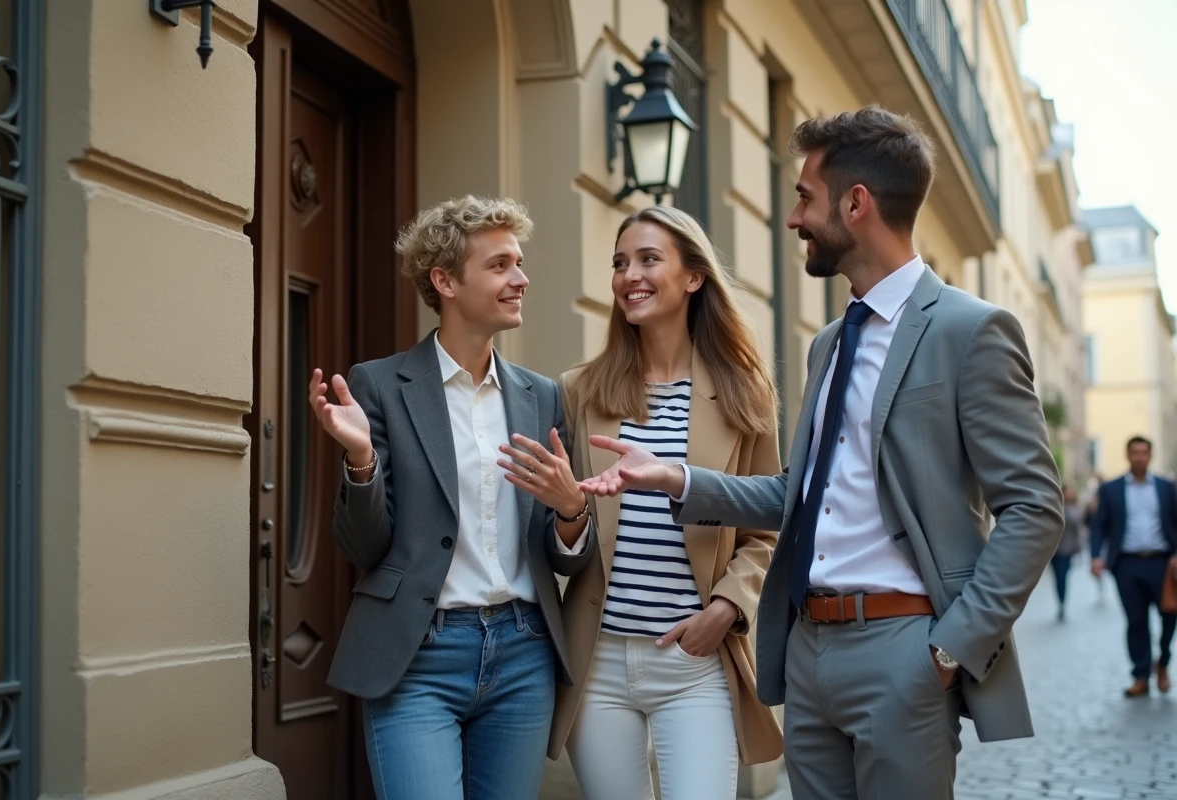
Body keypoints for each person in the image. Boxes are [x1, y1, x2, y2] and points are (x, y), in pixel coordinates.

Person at [579, 106, 1063, 800]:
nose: (794, 218)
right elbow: (796, 496)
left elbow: (1035, 508)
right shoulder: (829, 342)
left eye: (805, 196)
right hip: (808, 653)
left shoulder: (971, 330)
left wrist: (952, 645)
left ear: (856, 203)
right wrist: (675, 478)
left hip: (905, 648)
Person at [308, 196, 596, 799]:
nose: (520, 279)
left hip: (523, 655)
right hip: (418, 655)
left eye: (518, 263)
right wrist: (361, 461)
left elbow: (564, 556)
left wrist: (572, 510)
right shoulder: (381, 385)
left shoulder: (540, 397)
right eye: (499, 266)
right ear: (444, 280)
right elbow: (363, 545)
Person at [545, 206, 783, 800]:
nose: (630, 275)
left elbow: (768, 524)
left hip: (694, 660)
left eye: (649, 259)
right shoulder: (578, 390)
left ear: (694, 276)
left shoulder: (743, 394)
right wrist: (568, 512)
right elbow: (560, 530)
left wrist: (726, 610)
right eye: (620, 263)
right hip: (598, 661)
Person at [1089, 435, 1177, 696]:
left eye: (1144, 452)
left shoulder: (1166, 487)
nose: (1139, 456)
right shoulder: (1111, 489)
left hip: (1162, 563)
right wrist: (1096, 556)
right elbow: (1099, 526)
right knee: (1136, 621)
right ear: (1127, 456)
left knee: (1170, 616)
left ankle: (1162, 662)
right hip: (1126, 565)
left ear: (1150, 456)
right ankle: (1141, 675)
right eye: (1134, 452)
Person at [1052, 485, 1084, 621]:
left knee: (1062, 577)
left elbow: (1078, 530)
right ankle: (1060, 600)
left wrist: (1078, 549)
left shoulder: (1075, 510)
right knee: (1057, 578)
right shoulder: (1055, 506)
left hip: (1067, 550)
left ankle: (1062, 603)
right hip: (1053, 550)